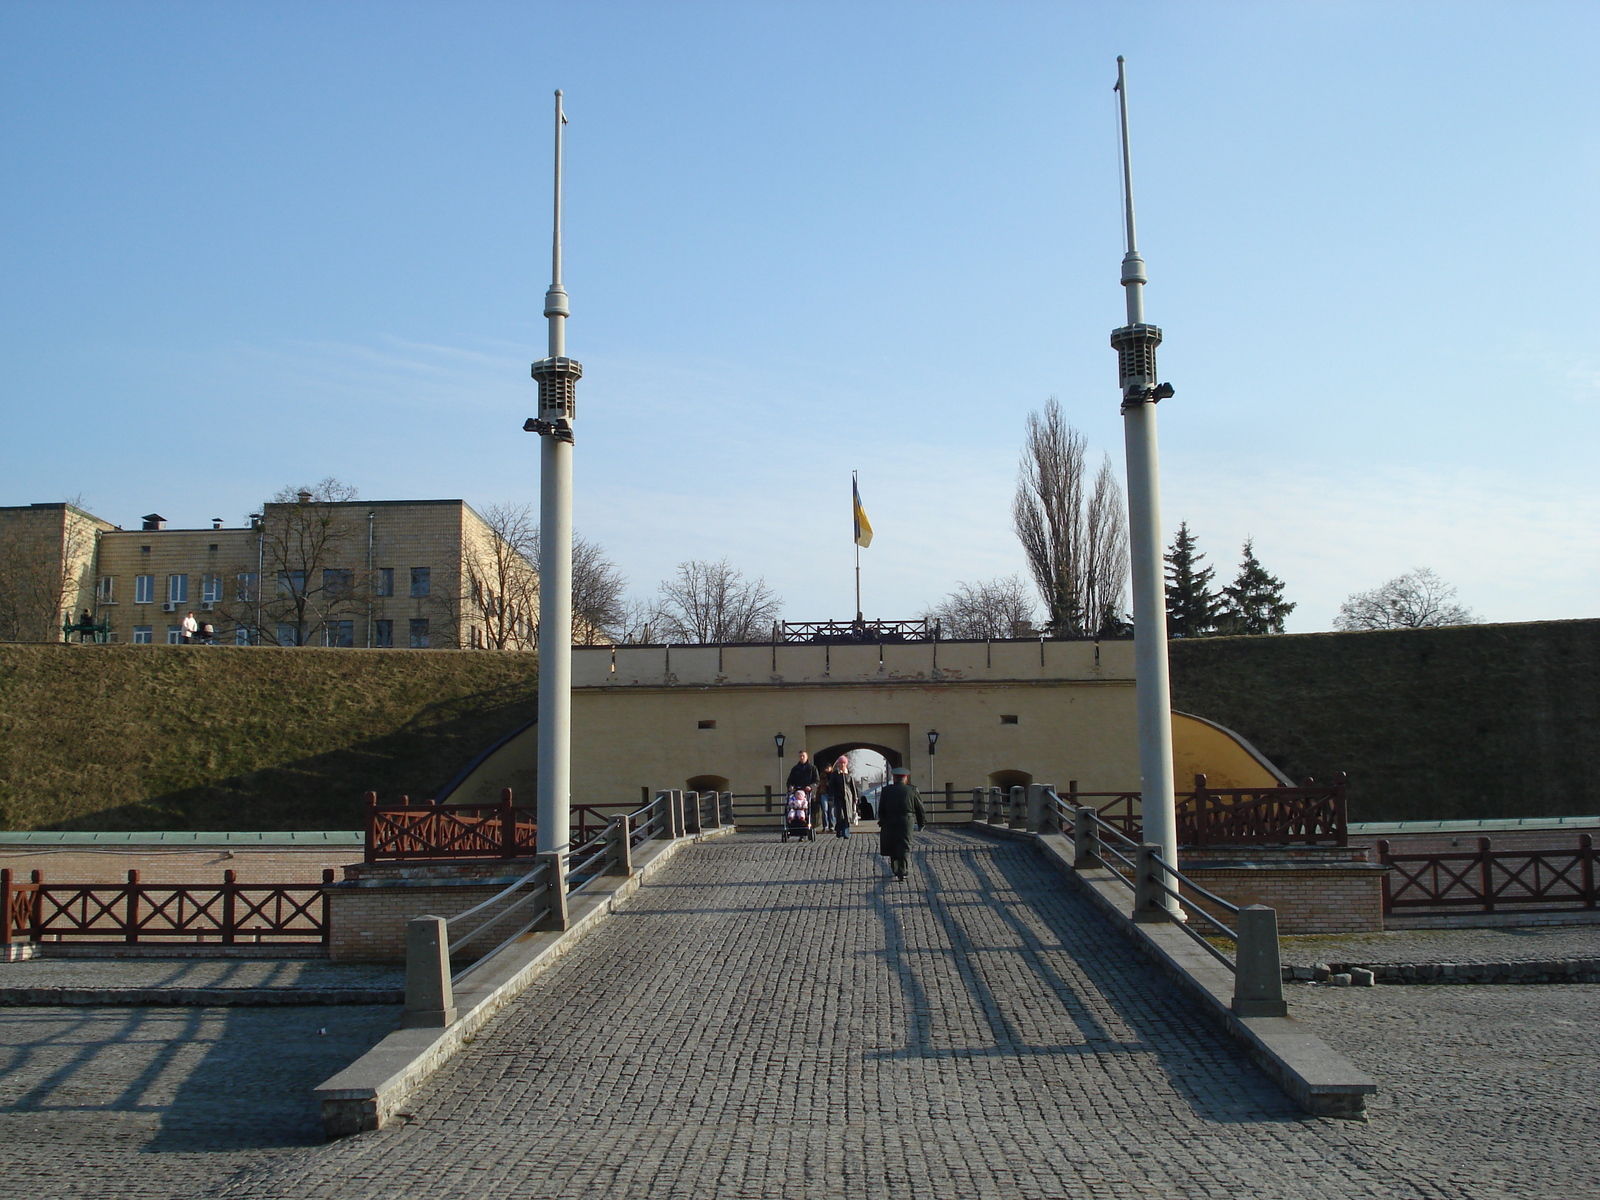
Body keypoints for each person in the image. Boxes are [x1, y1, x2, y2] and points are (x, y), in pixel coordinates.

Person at [877, 766, 927, 880]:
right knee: (904, 845)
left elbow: (881, 809)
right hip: (906, 820)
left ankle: (895, 869)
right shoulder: (912, 790)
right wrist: (921, 823)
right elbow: (920, 808)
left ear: (894, 778)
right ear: (906, 778)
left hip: (890, 820)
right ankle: (903, 870)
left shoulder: (886, 790)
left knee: (893, 844)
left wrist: (883, 821)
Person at [827, 755, 858, 839]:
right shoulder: (835, 775)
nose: (842, 764)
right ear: (838, 764)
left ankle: (846, 833)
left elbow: (853, 787)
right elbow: (831, 787)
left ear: (846, 764)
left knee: (847, 815)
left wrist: (855, 798)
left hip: (848, 798)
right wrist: (830, 797)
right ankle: (838, 830)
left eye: (844, 763)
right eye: (841, 763)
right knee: (840, 815)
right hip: (838, 797)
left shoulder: (849, 775)